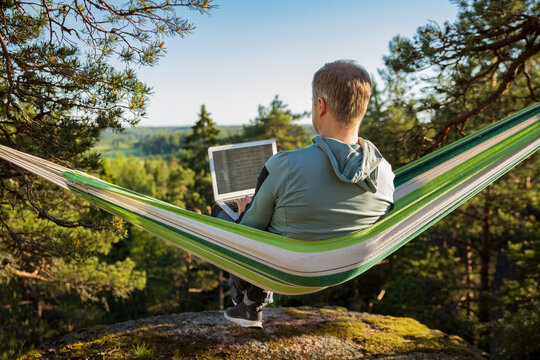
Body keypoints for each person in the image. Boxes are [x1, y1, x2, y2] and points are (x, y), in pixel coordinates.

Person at [223, 60, 395, 329]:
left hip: (283, 272)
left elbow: (250, 231)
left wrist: (244, 212)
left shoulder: (284, 165)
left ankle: (249, 303)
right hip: (341, 271)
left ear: (320, 105)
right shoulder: (386, 174)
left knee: (225, 215)